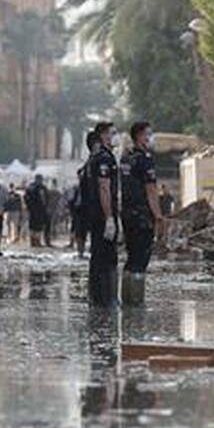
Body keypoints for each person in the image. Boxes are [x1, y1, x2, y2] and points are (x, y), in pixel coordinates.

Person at [119, 120, 163, 306]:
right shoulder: (145, 158)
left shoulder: (126, 158)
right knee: (141, 258)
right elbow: (151, 189)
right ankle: (136, 302)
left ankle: (126, 299)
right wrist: (159, 215)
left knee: (131, 257)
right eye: (148, 134)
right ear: (139, 136)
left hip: (127, 213)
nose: (150, 137)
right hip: (142, 214)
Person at [86, 121, 121, 307]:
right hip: (103, 215)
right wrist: (109, 218)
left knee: (98, 256)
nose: (115, 136)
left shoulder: (96, 157)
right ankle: (106, 299)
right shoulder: (104, 158)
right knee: (106, 257)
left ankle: (97, 298)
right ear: (103, 135)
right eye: (112, 133)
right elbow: (104, 188)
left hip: (96, 214)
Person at [72, 130, 99, 259]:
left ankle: (82, 252)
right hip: (87, 203)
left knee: (82, 230)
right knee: (83, 230)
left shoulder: (92, 160)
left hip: (85, 204)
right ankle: (82, 252)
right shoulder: (94, 160)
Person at [25, 174, 49, 248]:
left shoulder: (30, 186)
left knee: (32, 225)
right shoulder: (41, 188)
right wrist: (45, 207)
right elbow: (44, 199)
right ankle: (37, 241)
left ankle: (32, 241)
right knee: (38, 226)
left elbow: (26, 197)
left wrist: (28, 206)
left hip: (32, 209)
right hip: (39, 209)